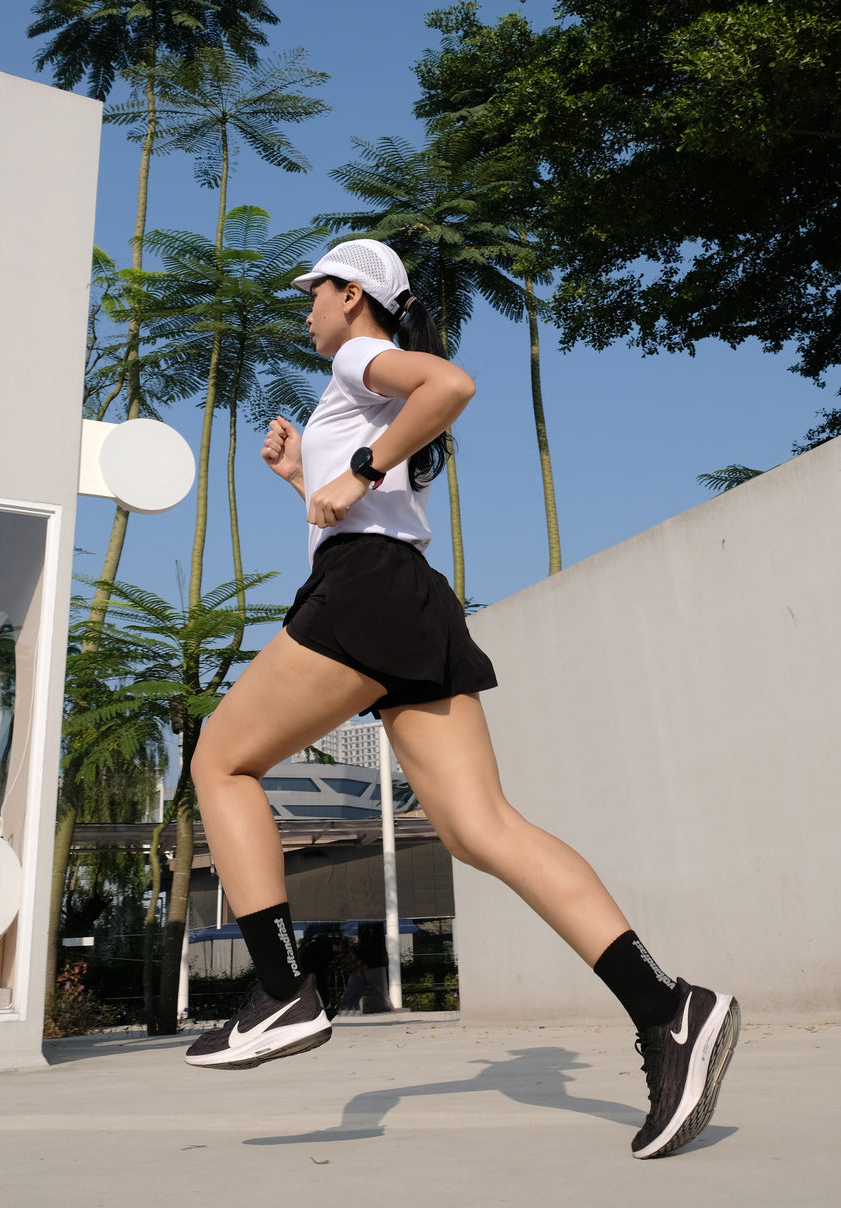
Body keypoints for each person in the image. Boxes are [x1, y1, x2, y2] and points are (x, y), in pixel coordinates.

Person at [184, 238, 739, 1160]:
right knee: (482, 831)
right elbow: (374, 492)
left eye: (314, 292)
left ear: (351, 294)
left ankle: (283, 988)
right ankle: (670, 1008)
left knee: (220, 760)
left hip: (367, 593)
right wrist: (307, 478)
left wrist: (351, 474)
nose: (307, 308)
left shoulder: (362, 355)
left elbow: (452, 385)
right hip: (406, 593)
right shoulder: (358, 390)